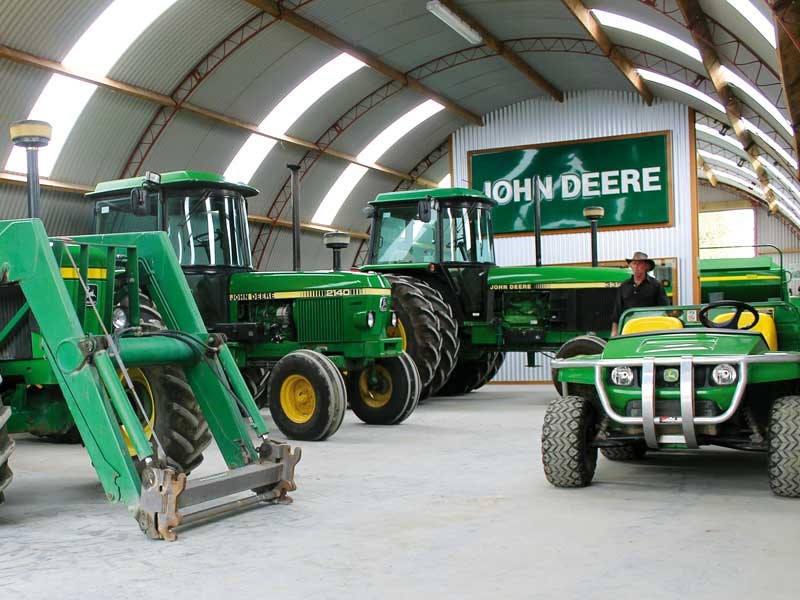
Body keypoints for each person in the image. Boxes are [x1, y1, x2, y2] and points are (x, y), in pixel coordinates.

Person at [611, 251, 670, 336]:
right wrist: (614, 331)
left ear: (646, 266)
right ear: (630, 266)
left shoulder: (656, 285)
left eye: (639, 264)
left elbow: (664, 309)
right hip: (628, 329)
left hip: (650, 329)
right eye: (634, 264)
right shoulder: (624, 286)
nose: (636, 267)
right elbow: (617, 311)